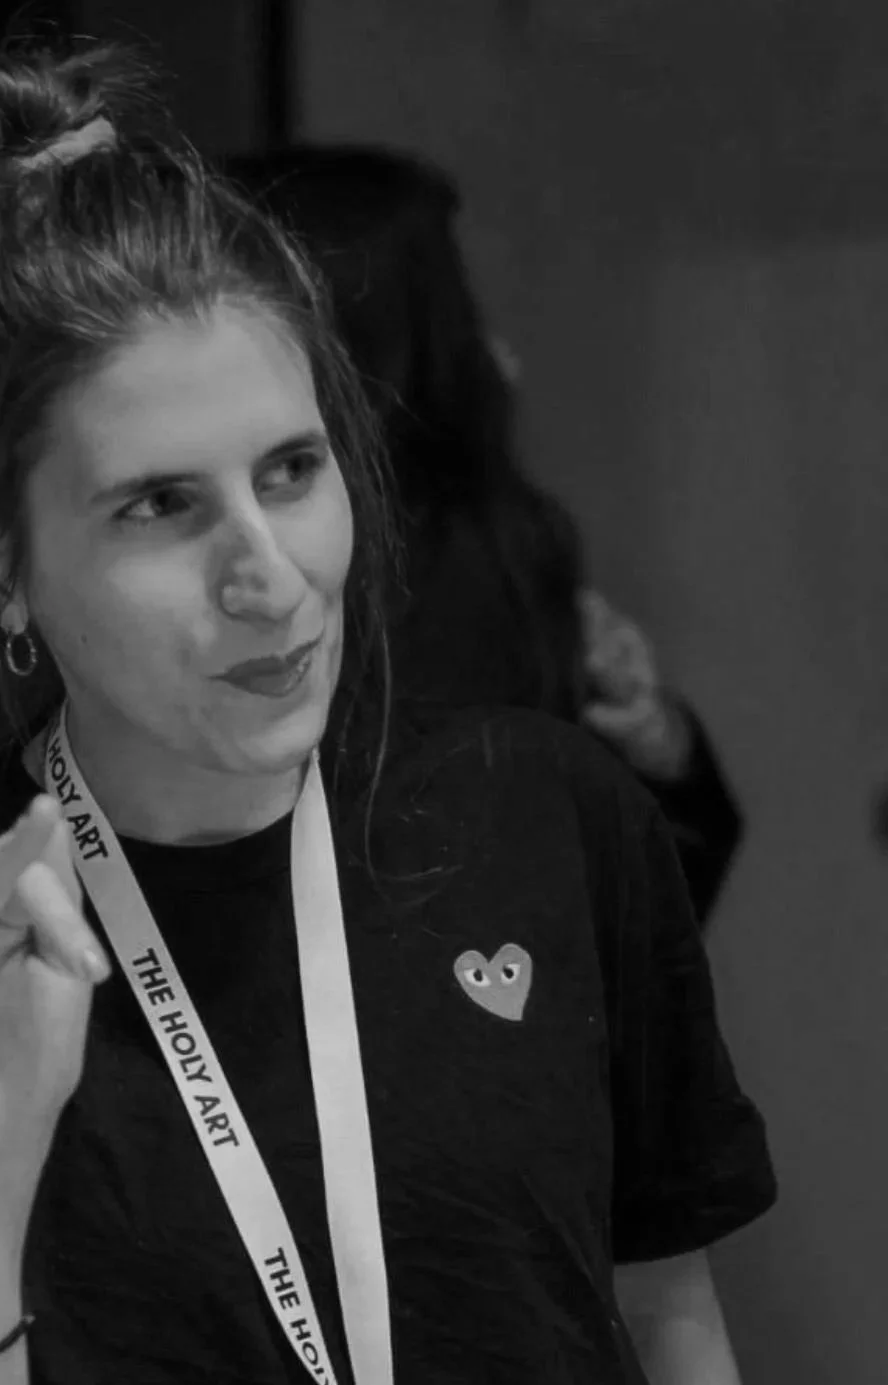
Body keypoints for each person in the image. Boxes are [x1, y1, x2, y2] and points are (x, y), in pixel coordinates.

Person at [0, 28, 782, 1385]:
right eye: (159, 506)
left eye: (291, 470)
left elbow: (670, 1315)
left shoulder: (544, 816)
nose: (265, 568)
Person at [223, 145, 745, 927]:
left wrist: (651, 741)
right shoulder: (477, 540)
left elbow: (597, 902)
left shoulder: (455, 559)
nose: (501, 353)